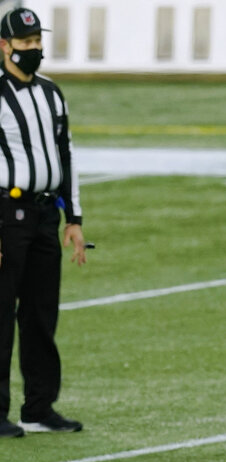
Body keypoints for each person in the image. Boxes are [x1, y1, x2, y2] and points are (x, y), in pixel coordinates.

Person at [0, 7, 85, 438]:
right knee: (0, 315)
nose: (33, 50)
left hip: (44, 214)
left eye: (37, 43)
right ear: (4, 45)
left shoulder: (52, 94)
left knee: (40, 314)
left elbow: (66, 156)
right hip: (5, 214)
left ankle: (38, 406)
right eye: (25, 43)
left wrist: (74, 217)